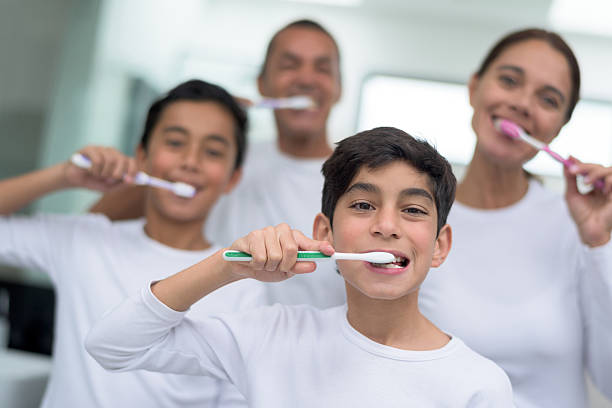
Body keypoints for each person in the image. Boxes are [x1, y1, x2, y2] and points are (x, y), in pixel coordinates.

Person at [86, 127, 515, 407]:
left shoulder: (478, 385)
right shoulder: (271, 335)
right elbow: (112, 344)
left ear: (440, 246)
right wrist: (228, 264)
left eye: (413, 210)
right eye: (363, 205)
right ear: (324, 234)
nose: (386, 226)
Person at [0, 79, 265, 407]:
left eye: (212, 151)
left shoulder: (241, 279)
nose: (191, 162)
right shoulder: (83, 239)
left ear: (233, 177)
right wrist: (64, 176)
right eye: (175, 142)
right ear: (143, 156)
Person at [417, 28, 612, 408]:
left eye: (548, 99)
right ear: (474, 88)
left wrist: (599, 245)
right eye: (509, 80)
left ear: (558, 128)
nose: (523, 103)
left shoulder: (577, 228)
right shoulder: (414, 223)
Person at [90, 19, 346, 308]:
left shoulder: (353, 181)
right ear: (262, 84)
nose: (306, 79)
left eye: (322, 68)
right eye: (289, 65)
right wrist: (211, 128)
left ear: (339, 88)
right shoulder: (221, 161)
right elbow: (98, 219)